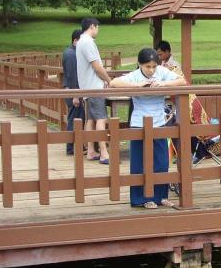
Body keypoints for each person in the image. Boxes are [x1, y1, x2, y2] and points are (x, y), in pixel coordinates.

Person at [110, 48, 187, 209]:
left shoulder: (161, 72)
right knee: (140, 163)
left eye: (153, 66)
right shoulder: (135, 75)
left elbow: (182, 81)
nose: (151, 70)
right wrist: (137, 85)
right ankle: (141, 198)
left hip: (159, 122)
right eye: (147, 67)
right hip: (139, 122)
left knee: (162, 161)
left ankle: (161, 196)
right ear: (140, 65)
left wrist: (164, 83)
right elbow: (113, 83)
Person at [76, 17, 111, 164]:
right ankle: (103, 152)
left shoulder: (80, 42)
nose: (98, 30)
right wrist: (109, 80)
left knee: (90, 118)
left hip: (86, 86)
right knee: (101, 118)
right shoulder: (88, 42)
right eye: (97, 27)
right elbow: (97, 66)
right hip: (94, 87)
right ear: (92, 26)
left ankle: (91, 150)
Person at [62, 28, 84, 155]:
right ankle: (70, 147)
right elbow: (71, 76)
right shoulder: (71, 54)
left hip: (72, 90)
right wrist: (75, 95)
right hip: (72, 91)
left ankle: (77, 146)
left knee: (77, 118)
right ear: (75, 40)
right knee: (74, 119)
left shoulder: (71, 52)